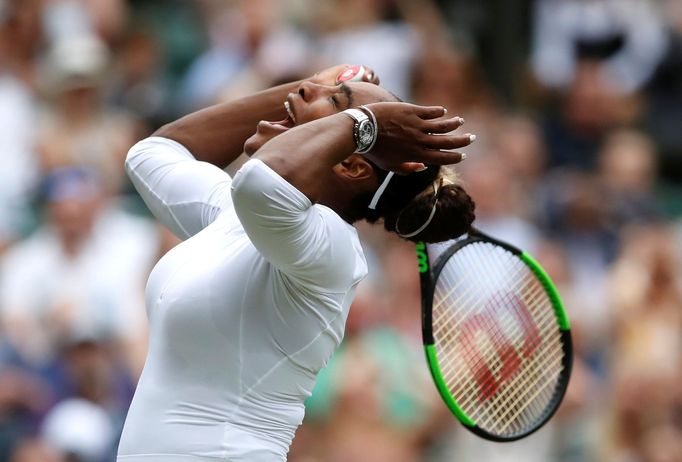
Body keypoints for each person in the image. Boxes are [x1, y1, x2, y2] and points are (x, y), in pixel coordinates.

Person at [116, 64, 476, 461]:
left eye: (337, 104)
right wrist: (312, 90)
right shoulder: (236, 217)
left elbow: (262, 183)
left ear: (352, 166)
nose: (307, 92)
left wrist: (363, 122)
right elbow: (152, 155)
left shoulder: (333, 247)